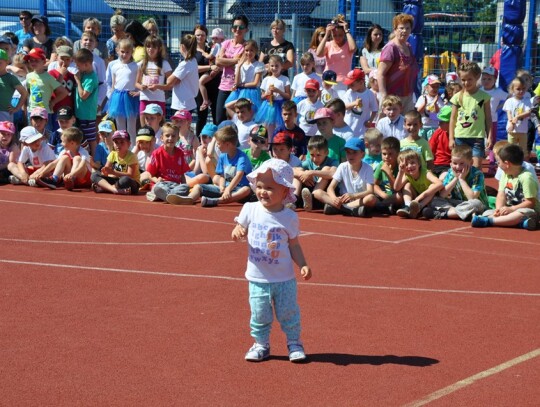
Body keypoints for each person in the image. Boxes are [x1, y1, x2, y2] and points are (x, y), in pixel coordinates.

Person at [231, 158, 311, 362]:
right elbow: (237, 231)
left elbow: (294, 244)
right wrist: (238, 230)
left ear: (285, 191)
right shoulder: (250, 209)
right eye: (259, 186)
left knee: (289, 313)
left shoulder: (289, 217)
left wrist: (302, 264)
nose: (262, 192)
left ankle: (294, 342)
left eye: (269, 187)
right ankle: (261, 344)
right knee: (259, 315)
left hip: (284, 280)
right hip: (258, 279)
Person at [166, 125, 253, 207]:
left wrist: (228, 190)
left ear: (228, 144)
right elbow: (222, 176)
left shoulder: (241, 157)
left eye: (219, 144)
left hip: (238, 188)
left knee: (246, 190)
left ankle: (217, 201)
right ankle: (189, 198)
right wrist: (222, 186)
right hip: (226, 187)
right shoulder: (223, 156)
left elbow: (239, 175)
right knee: (198, 186)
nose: (217, 146)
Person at [471, 144, 539, 230]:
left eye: (498, 162)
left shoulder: (526, 177)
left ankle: (490, 221)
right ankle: (520, 223)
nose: (498, 165)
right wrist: (498, 209)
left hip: (527, 210)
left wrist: (512, 209)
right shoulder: (505, 175)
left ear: (507, 163)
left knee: (521, 213)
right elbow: (501, 195)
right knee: (487, 212)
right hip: (509, 209)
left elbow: (530, 202)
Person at [314, 137, 377, 217]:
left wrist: (353, 196)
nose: (351, 155)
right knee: (317, 192)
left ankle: (341, 208)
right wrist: (334, 199)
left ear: (362, 154)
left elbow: (370, 191)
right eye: (348, 152)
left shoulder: (368, 168)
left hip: (359, 200)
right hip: (343, 200)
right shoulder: (342, 166)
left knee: (371, 198)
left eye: (354, 152)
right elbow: (330, 188)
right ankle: (349, 209)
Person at [424, 145, 487, 221]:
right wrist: (455, 178)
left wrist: (461, 179)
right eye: (455, 163)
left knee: (476, 203)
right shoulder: (451, 172)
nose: (458, 167)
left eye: (462, 163)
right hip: (457, 204)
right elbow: (442, 194)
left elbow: (472, 197)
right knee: (435, 200)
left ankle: (444, 214)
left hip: (474, 205)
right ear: (451, 163)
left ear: (471, 162)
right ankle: (461, 214)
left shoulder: (477, 174)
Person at [449, 62, 492, 169]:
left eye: (469, 79)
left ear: (477, 77)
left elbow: (488, 118)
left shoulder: (484, 97)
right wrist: (451, 138)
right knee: (461, 166)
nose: (466, 82)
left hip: (477, 137)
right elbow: (453, 119)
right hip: (460, 137)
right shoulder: (457, 97)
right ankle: (462, 185)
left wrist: (490, 136)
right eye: (463, 80)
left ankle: (476, 185)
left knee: (476, 166)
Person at [378, 13, 419, 112]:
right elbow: (381, 74)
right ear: (395, 29)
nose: (404, 31)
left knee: (407, 125)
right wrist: (384, 95)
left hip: (407, 96)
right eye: (401, 28)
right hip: (392, 98)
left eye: (407, 28)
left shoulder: (408, 46)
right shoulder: (390, 48)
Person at [144, 122, 191, 202]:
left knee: (185, 188)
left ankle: (164, 196)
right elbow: (149, 175)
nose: (170, 138)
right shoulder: (157, 153)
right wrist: (157, 180)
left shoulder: (180, 153)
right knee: (158, 187)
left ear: (178, 138)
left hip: (175, 185)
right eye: (167, 136)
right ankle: (169, 196)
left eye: (173, 136)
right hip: (162, 183)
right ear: (162, 138)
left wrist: (184, 185)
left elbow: (182, 175)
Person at [215, 16, 249, 124]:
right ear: (231, 29)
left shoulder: (246, 46)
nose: (237, 29)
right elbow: (218, 61)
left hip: (237, 87)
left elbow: (240, 64)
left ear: (246, 29)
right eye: (235, 27)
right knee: (219, 119)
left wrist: (225, 60)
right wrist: (235, 60)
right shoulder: (226, 43)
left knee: (237, 120)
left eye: (241, 27)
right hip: (224, 86)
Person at [107, 39, 139, 145]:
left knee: (131, 125)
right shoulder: (114, 65)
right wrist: (110, 101)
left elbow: (138, 81)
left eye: (127, 52)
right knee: (120, 124)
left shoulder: (136, 66)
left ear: (132, 52)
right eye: (122, 51)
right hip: (117, 96)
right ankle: (121, 145)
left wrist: (138, 92)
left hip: (130, 96)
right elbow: (113, 84)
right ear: (117, 51)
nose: (124, 54)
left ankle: (132, 148)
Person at [316, 14, 357, 98]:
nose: (337, 38)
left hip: (343, 82)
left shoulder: (348, 45)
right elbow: (318, 53)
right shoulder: (328, 44)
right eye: (335, 35)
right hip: (328, 81)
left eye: (340, 35)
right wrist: (326, 35)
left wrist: (346, 30)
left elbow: (353, 48)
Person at [394, 149, 442, 218]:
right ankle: (408, 206)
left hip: (430, 198)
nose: (410, 166)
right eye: (406, 164)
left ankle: (419, 207)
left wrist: (421, 196)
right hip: (416, 200)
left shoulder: (425, 173)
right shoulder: (407, 175)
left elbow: (440, 183)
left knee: (432, 186)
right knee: (407, 185)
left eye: (412, 163)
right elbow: (396, 188)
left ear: (419, 164)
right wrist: (400, 172)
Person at [135, 35, 172, 126]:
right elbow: (136, 83)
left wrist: (157, 86)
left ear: (159, 49)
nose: (150, 49)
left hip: (159, 100)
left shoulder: (164, 64)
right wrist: (141, 87)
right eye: (148, 46)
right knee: (144, 128)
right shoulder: (142, 64)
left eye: (154, 47)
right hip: (144, 99)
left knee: (160, 127)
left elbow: (170, 85)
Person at [24, 48, 68, 123]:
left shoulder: (48, 77)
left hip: (45, 112)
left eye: (36, 60)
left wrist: (53, 102)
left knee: (46, 133)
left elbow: (64, 92)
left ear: (44, 61)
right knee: (33, 134)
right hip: (32, 111)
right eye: (31, 60)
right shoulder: (29, 76)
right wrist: (24, 108)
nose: (33, 62)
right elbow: (28, 93)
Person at [90, 129, 140, 195]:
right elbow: (106, 170)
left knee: (125, 180)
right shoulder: (112, 154)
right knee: (94, 175)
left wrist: (113, 172)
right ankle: (114, 189)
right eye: (116, 142)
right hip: (116, 180)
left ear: (129, 144)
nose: (118, 145)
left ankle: (105, 188)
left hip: (131, 183)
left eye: (122, 142)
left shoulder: (132, 156)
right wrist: (105, 172)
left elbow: (130, 175)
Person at [224, 40, 264, 116]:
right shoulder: (240, 65)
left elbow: (255, 83)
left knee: (253, 114)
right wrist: (239, 66)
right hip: (239, 92)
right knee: (238, 113)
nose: (249, 53)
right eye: (246, 50)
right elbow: (236, 82)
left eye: (251, 50)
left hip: (252, 92)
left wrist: (241, 85)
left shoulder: (259, 65)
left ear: (256, 51)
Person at [298, 136, 339, 211]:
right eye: (312, 155)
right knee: (299, 171)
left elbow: (333, 173)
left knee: (326, 169)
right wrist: (304, 174)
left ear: (326, 152)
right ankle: (295, 199)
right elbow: (293, 170)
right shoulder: (308, 162)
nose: (315, 159)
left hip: (325, 192)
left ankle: (313, 198)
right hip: (312, 190)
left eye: (318, 155)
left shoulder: (333, 162)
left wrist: (311, 173)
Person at [254, 55, 291, 137]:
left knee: (279, 127)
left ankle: (278, 143)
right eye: (272, 66)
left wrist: (278, 91)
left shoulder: (285, 79)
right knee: (266, 126)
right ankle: (266, 144)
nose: (274, 68)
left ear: (282, 66)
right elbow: (261, 97)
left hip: (280, 105)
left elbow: (288, 96)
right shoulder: (266, 79)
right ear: (269, 66)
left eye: (277, 65)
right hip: (268, 105)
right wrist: (267, 93)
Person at [481, 66, 507, 174]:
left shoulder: (498, 92)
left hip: (492, 120)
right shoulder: (479, 90)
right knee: (479, 141)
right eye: (484, 78)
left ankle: (492, 164)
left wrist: (499, 107)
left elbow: (509, 97)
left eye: (489, 79)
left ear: (495, 80)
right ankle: (477, 163)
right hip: (479, 120)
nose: (486, 81)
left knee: (491, 143)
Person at [73, 48, 99, 156]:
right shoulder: (84, 74)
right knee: (81, 138)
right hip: (80, 114)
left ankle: (96, 159)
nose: (77, 68)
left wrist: (78, 81)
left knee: (91, 139)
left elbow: (83, 96)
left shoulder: (91, 78)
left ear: (87, 64)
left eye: (79, 65)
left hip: (87, 115)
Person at [166, 34, 199, 114]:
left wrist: (174, 80)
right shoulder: (193, 61)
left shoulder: (185, 64)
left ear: (182, 46)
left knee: (179, 126)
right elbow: (176, 80)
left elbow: (169, 81)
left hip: (181, 104)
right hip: (188, 102)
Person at [343, 68, 378, 138]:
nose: (349, 86)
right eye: (349, 84)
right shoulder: (349, 93)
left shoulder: (369, 94)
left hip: (361, 130)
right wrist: (354, 103)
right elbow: (343, 107)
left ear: (361, 82)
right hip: (348, 127)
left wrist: (370, 121)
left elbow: (375, 109)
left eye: (352, 84)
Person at [79, 32, 107, 116]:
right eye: (86, 39)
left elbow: (103, 84)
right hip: (77, 99)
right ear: (81, 42)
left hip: (92, 100)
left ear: (95, 44)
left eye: (91, 40)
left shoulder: (99, 61)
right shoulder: (74, 59)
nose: (88, 42)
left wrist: (98, 102)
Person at [373, 136, 403, 213]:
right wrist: (383, 194)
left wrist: (388, 173)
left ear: (397, 154)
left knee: (399, 197)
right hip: (383, 196)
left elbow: (396, 189)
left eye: (390, 154)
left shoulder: (400, 166)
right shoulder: (381, 164)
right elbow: (374, 184)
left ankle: (381, 206)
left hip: (394, 196)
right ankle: (383, 206)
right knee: (370, 197)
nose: (387, 157)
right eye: (384, 154)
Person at [199, 29, 226, 111]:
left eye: (216, 38)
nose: (214, 40)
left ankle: (206, 100)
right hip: (219, 69)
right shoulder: (223, 45)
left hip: (215, 68)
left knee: (200, 82)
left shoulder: (217, 45)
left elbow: (209, 56)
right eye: (213, 38)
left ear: (220, 38)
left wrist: (202, 52)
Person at [503, 77, 531, 156]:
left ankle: (523, 164)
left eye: (523, 89)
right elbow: (509, 113)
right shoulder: (509, 101)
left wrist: (517, 117)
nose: (521, 91)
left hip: (523, 131)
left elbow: (528, 112)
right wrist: (511, 123)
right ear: (512, 89)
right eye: (518, 89)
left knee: (523, 151)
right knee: (511, 149)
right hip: (512, 131)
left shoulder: (526, 101)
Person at [0, 49, 27, 123]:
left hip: (4, 112)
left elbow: (24, 93)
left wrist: (17, 108)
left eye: (0, 63)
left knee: (5, 134)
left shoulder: (11, 78)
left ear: (7, 62)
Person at [415, 74, 444, 140]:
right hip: (423, 126)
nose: (435, 89)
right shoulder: (422, 97)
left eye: (437, 87)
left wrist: (435, 103)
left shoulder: (439, 99)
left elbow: (438, 114)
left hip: (434, 126)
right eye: (433, 87)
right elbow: (418, 112)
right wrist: (424, 103)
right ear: (426, 87)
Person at [428, 105, 452, 176]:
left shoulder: (458, 135)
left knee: (443, 178)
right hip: (436, 165)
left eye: (441, 122)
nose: (438, 123)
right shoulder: (438, 132)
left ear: (450, 122)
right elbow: (430, 151)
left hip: (451, 166)